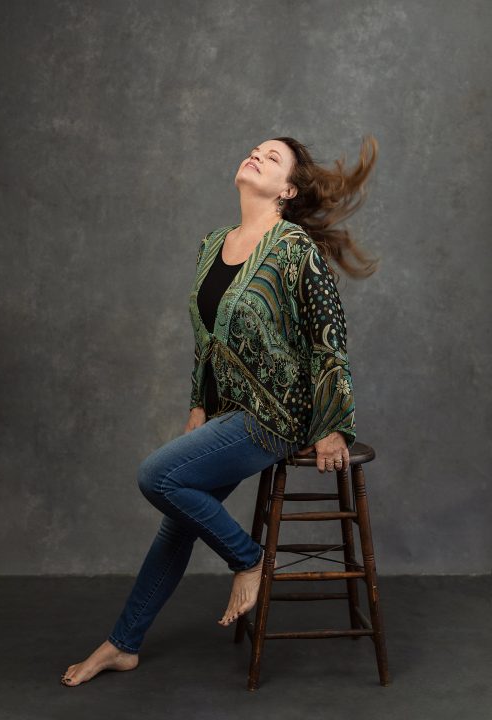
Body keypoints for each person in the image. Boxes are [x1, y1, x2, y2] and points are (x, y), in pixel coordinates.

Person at [60, 135, 379, 686]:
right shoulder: (215, 244)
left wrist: (335, 428)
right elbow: (207, 340)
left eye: (272, 157)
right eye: (255, 149)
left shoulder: (294, 248)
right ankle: (122, 644)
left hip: (278, 415)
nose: (256, 155)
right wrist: (198, 405)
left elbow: (330, 341)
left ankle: (249, 559)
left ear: (287, 189)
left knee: (157, 475)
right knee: (178, 521)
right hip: (230, 413)